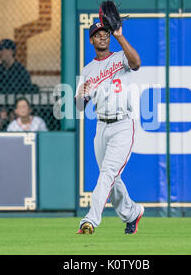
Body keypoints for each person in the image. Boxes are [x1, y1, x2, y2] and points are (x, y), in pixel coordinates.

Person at [74, 22, 143, 235]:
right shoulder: (87, 70)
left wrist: (120, 36)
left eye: (105, 34)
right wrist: (80, 95)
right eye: (97, 35)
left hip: (122, 124)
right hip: (102, 127)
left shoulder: (120, 57)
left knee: (107, 174)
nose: (102, 37)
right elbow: (78, 107)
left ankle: (90, 220)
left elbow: (137, 62)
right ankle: (132, 213)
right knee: (112, 180)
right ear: (91, 40)